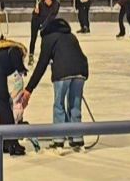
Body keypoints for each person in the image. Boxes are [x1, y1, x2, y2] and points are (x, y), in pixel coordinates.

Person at [21, 18, 89, 151]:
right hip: (81, 71)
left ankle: (58, 138)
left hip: (62, 72)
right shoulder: (71, 36)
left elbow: (41, 65)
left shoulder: (48, 38)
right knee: (75, 105)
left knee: (59, 105)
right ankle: (77, 138)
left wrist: (29, 89)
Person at [29, 0, 60, 65]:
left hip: (46, 22)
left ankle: (47, 56)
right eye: (45, 0)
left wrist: (44, 25)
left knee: (47, 39)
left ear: (52, 1)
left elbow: (51, 17)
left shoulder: (56, 5)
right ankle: (31, 55)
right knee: (33, 38)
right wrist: (35, 12)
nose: (46, 1)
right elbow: (34, 15)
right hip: (36, 21)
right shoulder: (40, 3)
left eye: (48, 1)